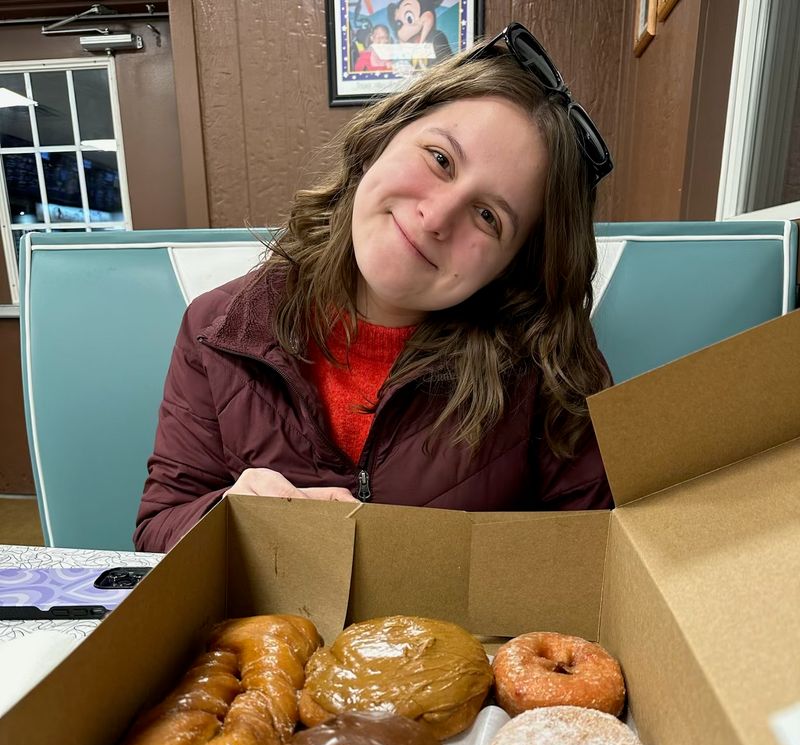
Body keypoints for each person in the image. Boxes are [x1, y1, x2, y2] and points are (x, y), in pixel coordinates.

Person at [134, 23, 615, 554]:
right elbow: (157, 530)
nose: (436, 216)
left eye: (488, 216)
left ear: (511, 266)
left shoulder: (550, 362)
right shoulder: (217, 329)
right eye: (439, 159)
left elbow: (596, 553)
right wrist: (229, 515)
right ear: (382, 138)